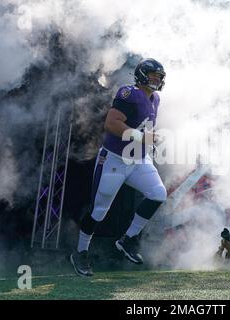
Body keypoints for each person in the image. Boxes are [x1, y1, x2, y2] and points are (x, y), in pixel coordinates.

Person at [70, 58, 167, 277]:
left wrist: (148, 142)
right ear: (141, 75)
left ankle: (128, 239)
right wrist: (142, 137)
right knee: (99, 211)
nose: (155, 80)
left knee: (158, 194)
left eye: (158, 77)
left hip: (139, 159)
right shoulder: (128, 93)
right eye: (152, 75)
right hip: (114, 159)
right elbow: (111, 124)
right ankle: (80, 252)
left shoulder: (156, 99)